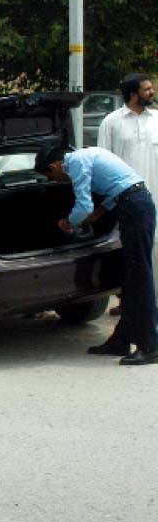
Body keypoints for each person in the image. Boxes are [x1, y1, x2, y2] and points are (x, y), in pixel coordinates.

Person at [34, 144, 158, 365]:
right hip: (133, 202)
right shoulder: (87, 155)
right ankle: (122, 339)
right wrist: (101, 212)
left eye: (52, 176)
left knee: (139, 277)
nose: (56, 181)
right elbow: (119, 187)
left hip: (135, 207)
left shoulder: (77, 163)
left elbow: (83, 206)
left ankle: (150, 345)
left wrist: (68, 222)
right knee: (131, 277)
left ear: (55, 166)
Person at [97, 74, 158, 314]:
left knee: (154, 250)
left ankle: (151, 304)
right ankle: (129, 303)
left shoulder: (157, 119)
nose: (151, 92)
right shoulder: (112, 122)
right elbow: (103, 160)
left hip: (154, 194)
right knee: (127, 250)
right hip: (126, 199)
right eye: (147, 89)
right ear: (133, 94)